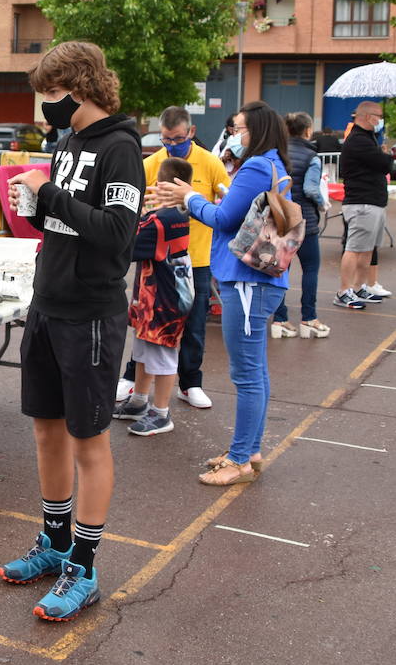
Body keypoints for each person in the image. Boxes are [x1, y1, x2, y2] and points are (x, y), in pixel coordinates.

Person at [0, 41, 143, 622]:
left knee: (89, 443)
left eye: (50, 96)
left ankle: (84, 566)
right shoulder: (68, 145)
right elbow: (64, 223)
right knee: (46, 432)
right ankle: (54, 544)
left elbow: (116, 234)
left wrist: (47, 190)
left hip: (90, 315)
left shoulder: (121, 148)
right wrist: (31, 205)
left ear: (78, 90)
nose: (44, 109)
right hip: (48, 305)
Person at [155, 101, 291, 487]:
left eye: (238, 128)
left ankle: (239, 460)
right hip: (260, 280)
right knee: (256, 371)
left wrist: (188, 197)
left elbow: (223, 218)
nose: (233, 133)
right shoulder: (275, 165)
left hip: (247, 281)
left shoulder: (254, 166)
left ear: (256, 131)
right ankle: (247, 450)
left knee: (247, 374)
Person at [130, 106, 230, 411]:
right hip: (154, 260)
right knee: (144, 321)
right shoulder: (151, 163)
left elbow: (227, 202)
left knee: (195, 324)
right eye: (166, 139)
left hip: (195, 258)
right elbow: (135, 203)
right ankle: (132, 383)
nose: (171, 145)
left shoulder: (210, 163)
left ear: (191, 133)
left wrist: (196, 205)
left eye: (177, 139)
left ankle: (191, 383)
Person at [117, 157, 193, 436]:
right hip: (163, 293)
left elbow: (127, 246)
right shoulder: (180, 213)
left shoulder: (159, 220)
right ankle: (139, 400)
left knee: (161, 356)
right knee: (144, 351)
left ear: (161, 185)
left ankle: (160, 412)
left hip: (161, 298)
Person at [273, 112, 329, 338]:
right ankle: (309, 318)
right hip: (306, 221)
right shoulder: (312, 157)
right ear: (308, 131)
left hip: (282, 218)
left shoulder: (278, 153)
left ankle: (279, 318)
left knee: (280, 269)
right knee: (310, 268)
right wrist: (323, 204)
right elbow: (311, 189)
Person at [335, 101, 393, 310]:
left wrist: (382, 153)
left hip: (373, 202)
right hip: (362, 203)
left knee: (367, 249)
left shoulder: (368, 139)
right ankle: (343, 290)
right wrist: (386, 155)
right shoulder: (359, 140)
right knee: (354, 248)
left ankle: (359, 286)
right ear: (368, 117)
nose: (380, 120)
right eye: (378, 116)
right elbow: (383, 163)